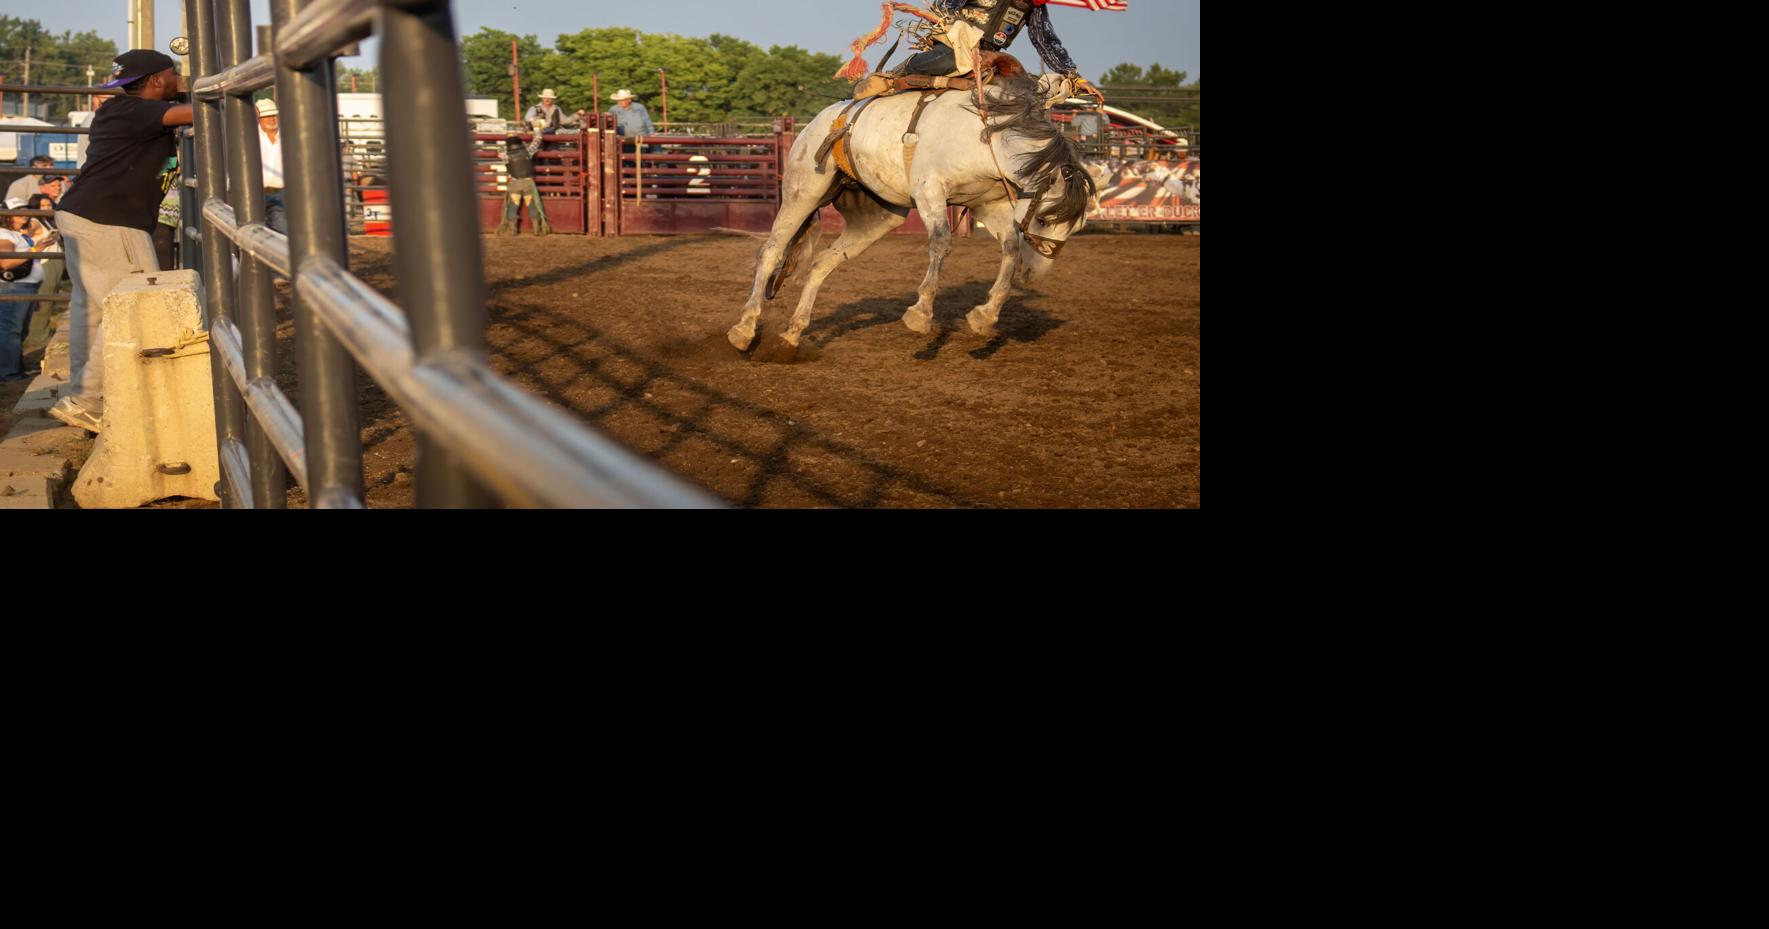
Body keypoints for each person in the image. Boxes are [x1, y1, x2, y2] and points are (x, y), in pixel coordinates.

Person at [46, 49, 194, 433]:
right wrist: (215, 92)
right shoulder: (131, 110)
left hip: (90, 215)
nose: (178, 80)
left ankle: (85, 394)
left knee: (94, 310)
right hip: (109, 220)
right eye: (173, 74)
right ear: (158, 80)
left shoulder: (124, 109)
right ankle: (85, 400)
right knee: (133, 306)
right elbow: (192, 113)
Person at [896, 0, 1104, 102]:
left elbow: (1046, 41)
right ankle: (903, 71)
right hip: (955, 43)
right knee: (947, 61)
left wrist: (1075, 77)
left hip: (992, 57)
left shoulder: (1034, 6)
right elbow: (945, 5)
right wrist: (958, 30)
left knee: (1028, 94)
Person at [0, 201, 57, 381]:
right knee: (11, 330)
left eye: (25, 212)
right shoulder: (4, 234)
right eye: (19, 213)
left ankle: (14, 368)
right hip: (14, 287)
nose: (24, 215)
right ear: (7, 216)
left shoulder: (18, 235)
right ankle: (8, 373)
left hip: (27, 287)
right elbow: (6, 263)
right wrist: (35, 250)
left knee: (19, 330)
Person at [494, 134, 551, 236]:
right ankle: (536, 229)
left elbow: (499, 152)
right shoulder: (528, 151)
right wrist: (537, 131)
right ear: (520, 143)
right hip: (528, 183)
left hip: (514, 183)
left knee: (513, 206)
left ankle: (513, 231)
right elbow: (537, 140)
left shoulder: (506, 155)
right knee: (532, 205)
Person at [256, 98, 288, 235]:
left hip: (281, 192)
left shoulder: (287, 136)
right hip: (256, 191)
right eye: (267, 116)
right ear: (259, 119)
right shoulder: (251, 136)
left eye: (274, 115)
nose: (272, 119)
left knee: (280, 231)